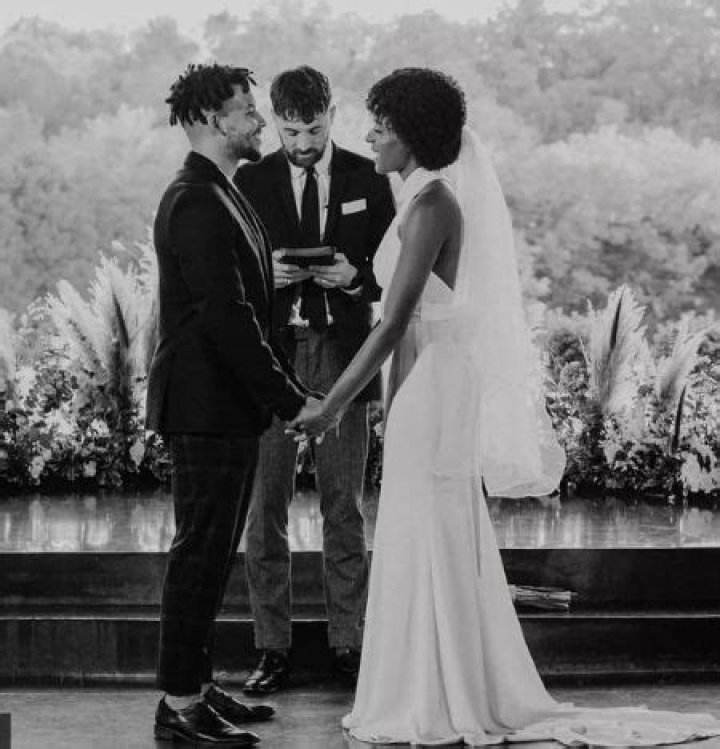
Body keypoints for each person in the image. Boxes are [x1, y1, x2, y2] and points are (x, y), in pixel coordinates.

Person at [290, 67, 720, 745]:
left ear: (411, 133)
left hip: (434, 387)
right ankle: (421, 688)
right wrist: (389, 401)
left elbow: (395, 321)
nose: (369, 135)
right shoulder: (416, 199)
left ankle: (442, 695)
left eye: (381, 124)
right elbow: (408, 324)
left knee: (431, 530)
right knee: (415, 531)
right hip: (420, 386)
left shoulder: (432, 205)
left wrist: (333, 405)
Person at [146, 63, 320, 746]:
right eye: (246, 110)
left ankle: (198, 684)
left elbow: (244, 301)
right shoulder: (195, 199)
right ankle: (179, 703)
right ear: (209, 121)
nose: (257, 120)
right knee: (199, 553)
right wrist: (291, 398)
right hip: (204, 406)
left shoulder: (222, 190)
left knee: (215, 555)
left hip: (225, 407)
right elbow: (227, 317)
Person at [234, 65, 395, 693]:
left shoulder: (369, 176)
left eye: (314, 130)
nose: (303, 143)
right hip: (273, 355)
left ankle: (348, 644)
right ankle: (271, 648)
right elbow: (230, 275)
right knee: (265, 508)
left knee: (343, 506)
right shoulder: (251, 180)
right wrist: (264, 275)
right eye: (291, 131)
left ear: (333, 115)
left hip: (344, 355)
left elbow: (396, 274)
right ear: (276, 121)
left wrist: (355, 278)